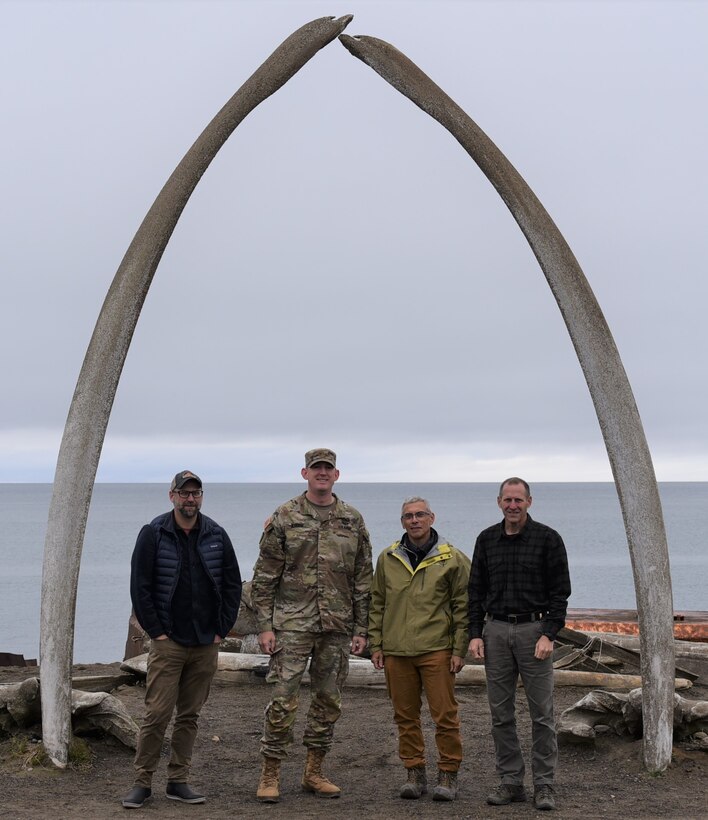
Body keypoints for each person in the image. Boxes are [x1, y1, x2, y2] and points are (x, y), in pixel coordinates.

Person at [251, 448, 373, 803]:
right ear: (305, 473)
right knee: (282, 700)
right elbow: (265, 576)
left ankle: (314, 772)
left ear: (336, 475)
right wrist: (265, 626)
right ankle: (270, 773)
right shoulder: (285, 516)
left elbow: (363, 578)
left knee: (328, 701)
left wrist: (361, 629)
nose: (322, 473)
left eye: (328, 469)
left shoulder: (352, 520)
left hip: (336, 625)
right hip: (292, 624)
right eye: (316, 468)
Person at [122, 470, 242, 810]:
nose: (190, 499)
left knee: (189, 716)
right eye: (184, 493)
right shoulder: (153, 533)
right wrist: (156, 631)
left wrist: (221, 629)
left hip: (205, 642)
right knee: (156, 714)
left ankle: (178, 780)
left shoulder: (216, 534)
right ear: (172, 495)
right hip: (168, 642)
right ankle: (142, 783)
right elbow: (140, 586)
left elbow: (232, 584)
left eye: (196, 493)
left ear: (201, 496)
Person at [468, 478, 571, 812]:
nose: (513, 506)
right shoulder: (486, 540)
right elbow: (475, 591)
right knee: (501, 715)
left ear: (529, 501)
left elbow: (560, 593)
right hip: (496, 631)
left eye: (518, 500)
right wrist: (475, 633)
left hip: (534, 631)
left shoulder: (548, 539)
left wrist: (549, 634)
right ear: (499, 502)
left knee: (542, 715)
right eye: (507, 500)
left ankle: (544, 784)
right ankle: (511, 781)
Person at [368, 496, 470, 802]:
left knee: (445, 716)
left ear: (431, 518)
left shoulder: (452, 558)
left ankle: (448, 773)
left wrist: (459, 649)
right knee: (405, 717)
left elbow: (464, 606)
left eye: (420, 515)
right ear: (402, 522)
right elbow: (377, 602)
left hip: (437, 649)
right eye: (408, 516)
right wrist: (376, 644)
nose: (414, 520)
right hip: (397, 651)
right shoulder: (388, 558)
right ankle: (414, 772)